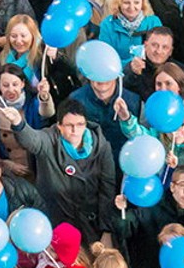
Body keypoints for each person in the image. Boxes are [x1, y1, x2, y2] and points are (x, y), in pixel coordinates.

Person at [7, 100, 115, 245]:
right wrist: (18, 123)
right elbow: (32, 140)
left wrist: (106, 230)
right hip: (58, 221)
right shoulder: (49, 140)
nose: (75, 130)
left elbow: (107, 188)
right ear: (59, 126)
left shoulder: (101, 146)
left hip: (91, 222)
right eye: (69, 125)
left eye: (80, 124)